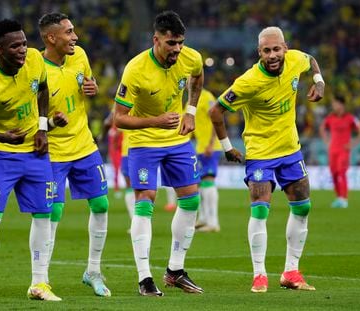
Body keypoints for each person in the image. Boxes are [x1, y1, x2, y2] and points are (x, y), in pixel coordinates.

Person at [210, 26, 325, 293]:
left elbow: (311, 60)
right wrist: (227, 147)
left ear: (285, 47)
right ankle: (259, 274)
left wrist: (319, 81)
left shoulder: (296, 59)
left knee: (302, 207)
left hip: (290, 149)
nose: (272, 55)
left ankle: (291, 272)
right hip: (261, 152)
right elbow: (216, 112)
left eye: (276, 49)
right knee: (260, 208)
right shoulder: (248, 82)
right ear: (258, 52)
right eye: (266, 51)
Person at [0, 19, 61, 305]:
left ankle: (39, 283)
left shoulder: (34, 60)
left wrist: (43, 127)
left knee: (44, 214)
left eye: (24, 43)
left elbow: (43, 89)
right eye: (15, 46)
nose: (23, 50)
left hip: (34, 151)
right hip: (1, 155)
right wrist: (2, 137)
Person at [114, 10, 204, 296]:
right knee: (146, 201)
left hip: (176, 140)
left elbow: (198, 78)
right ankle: (144, 278)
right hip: (143, 141)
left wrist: (190, 111)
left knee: (191, 199)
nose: (177, 49)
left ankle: (175, 271)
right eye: (171, 43)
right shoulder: (135, 69)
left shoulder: (191, 57)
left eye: (180, 42)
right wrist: (155, 121)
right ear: (156, 40)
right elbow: (119, 118)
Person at [38, 13, 111, 297]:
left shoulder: (79, 55)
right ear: (51, 37)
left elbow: (87, 84)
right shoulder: (36, 68)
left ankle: (93, 270)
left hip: (84, 146)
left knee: (102, 204)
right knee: (53, 210)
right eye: (68, 32)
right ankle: (41, 277)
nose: (75, 37)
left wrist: (91, 88)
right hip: (53, 151)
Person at [319, 95, 360, 208]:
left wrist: (353, 144)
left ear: (341, 104)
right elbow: (322, 128)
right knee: (334, 174)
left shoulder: (350, 118)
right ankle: (339, 197)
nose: (333, 106)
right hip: (332, 150)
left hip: (344, 150)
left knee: (341, 172)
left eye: (335, 103)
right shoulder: (330, 118)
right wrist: (327, 141)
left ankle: (344, 199)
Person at [193, 88, 221, 232]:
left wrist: (211, 143)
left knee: (208, 181)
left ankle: (213, 223)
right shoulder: (191, 99)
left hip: (210, 147)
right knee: (200, 184)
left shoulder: (207, 96)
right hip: (199, 148)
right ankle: (204, 219)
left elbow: (216, 117)